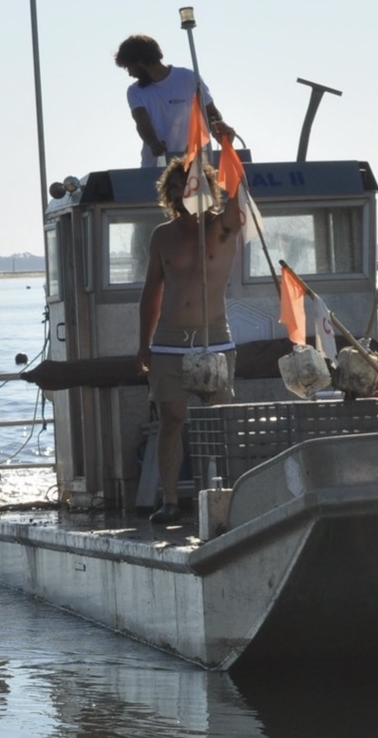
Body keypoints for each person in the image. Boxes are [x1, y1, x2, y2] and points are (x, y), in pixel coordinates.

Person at [137, 156, 243, 524]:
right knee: (171, 419)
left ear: (206, 189)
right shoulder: (162, 236)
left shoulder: (223, 226)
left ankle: (224, 495)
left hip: (215, 337)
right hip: (168, 341)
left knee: (218, 420)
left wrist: (228, 144)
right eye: (178, 187)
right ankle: (169, 501)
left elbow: (241, 197)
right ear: (170, 193)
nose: (185, 193)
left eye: (192, 185)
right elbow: (151, 292)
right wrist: (143, 343)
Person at [115, 34, 235, 167]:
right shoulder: (135, 91)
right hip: (156, 166)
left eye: (128, 67)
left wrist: (219, 126)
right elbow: (142, 123)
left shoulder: (189, 78)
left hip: (197, 163)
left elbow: (211, 112)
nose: (130, 74)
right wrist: (153, 142)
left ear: (140, 61)